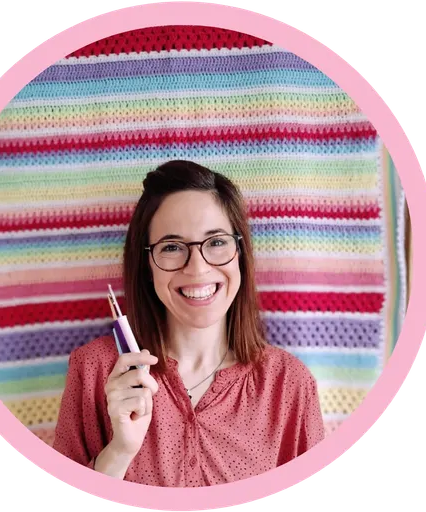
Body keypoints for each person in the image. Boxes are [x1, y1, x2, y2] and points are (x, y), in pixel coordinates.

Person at [52, 160, 325, 487]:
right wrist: (120, 452)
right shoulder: (94, 369)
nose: (197, 268)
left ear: (240, 252)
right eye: (171, 247)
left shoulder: (289, 384)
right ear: (147, 264)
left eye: (216, 242)